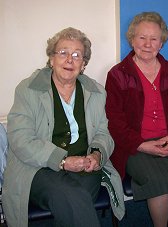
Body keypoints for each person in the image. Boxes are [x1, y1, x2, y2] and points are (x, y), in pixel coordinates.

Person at [2, 27, 124, 227]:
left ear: (83, 64)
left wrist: (96, 154)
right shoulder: (28, 89)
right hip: (38, 168)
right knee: (72, 197)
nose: (70, 59)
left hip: (85, 166)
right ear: (51, 59)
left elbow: (104, 132)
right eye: (63, 53)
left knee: (72, 200)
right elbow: (20, 140)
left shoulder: (96, 92)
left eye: (77, 55)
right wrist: (63, 161)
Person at [105, 12, 168, 227]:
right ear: (132, 39)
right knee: (160, 184)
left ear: (161, 42)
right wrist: (142, 144)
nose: (147, 44)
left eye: (154, 38)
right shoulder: (118, 75)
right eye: (142, 38)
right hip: (135, 147)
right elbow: (114, 121)